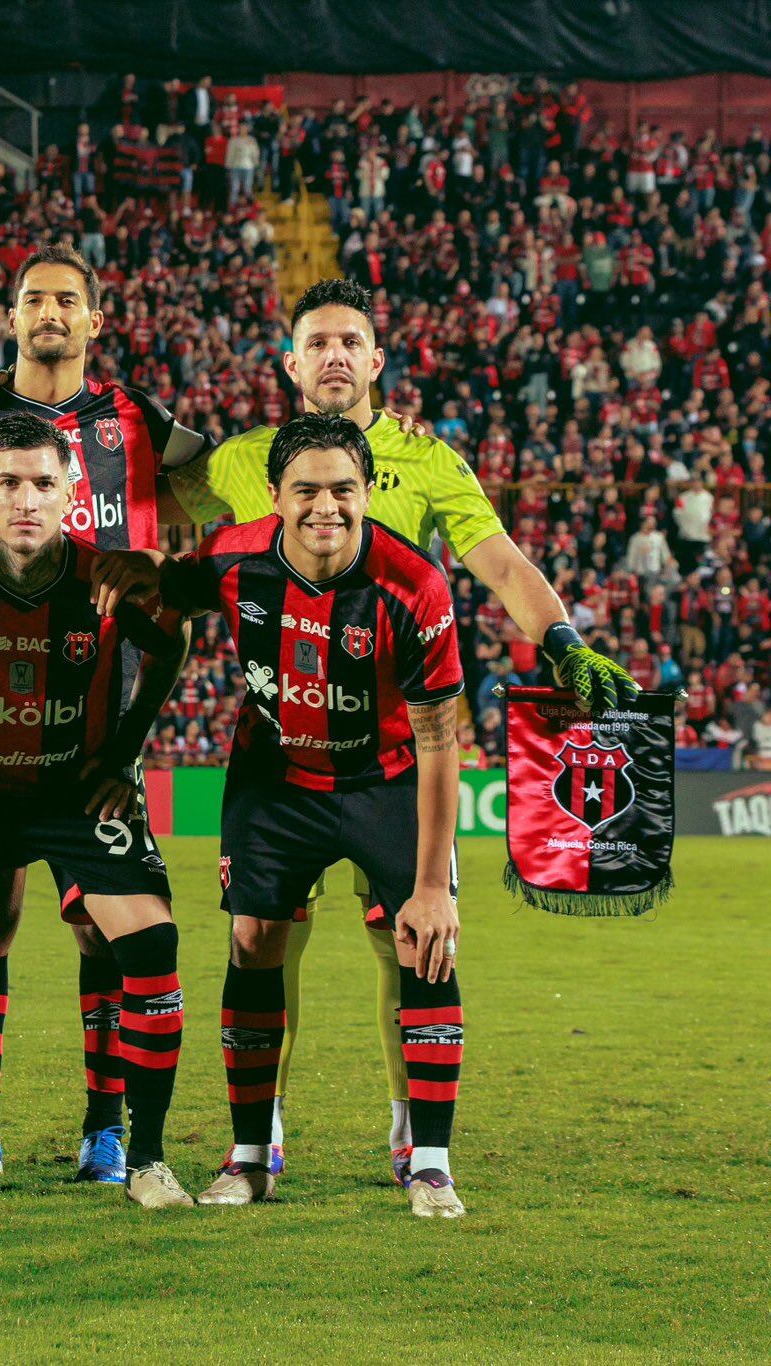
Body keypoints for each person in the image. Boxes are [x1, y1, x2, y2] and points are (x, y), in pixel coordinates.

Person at [163, 276, 635, 1184]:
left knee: (407, 938)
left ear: (378, 361)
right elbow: (157, 506)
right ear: (291, 362)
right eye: (318, 341)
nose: (335, 355)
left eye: (352, 341)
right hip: (283, 746)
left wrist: (566, 644)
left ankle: (410, 1129)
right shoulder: (241, 462)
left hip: (396, 751)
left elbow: (500, 563)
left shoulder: (430, 462)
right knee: (263, 940)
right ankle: (262, 1138)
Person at [0, 241, 209, 1187]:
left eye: (69, 299)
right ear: (10, 317)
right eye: (34, 300)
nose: (50, 313)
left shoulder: (136, 419)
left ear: (96, 319)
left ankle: (111, 1131)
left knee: (106, 930)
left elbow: (219, 485)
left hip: (90, 704)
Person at [96, 412, 469, 1218]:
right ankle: (252, 1156)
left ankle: (431, 1163)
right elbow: (171, 583)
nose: (324, 508)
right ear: (274, 496)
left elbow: (444, 738)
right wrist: (130, 569)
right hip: (277, 776)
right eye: (305, 490)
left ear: (367, 493)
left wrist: (433, 883)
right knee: (254, 941)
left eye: (342, 489)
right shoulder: (236, 557)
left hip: (390, 779)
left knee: (423, 943)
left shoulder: (415, 586)